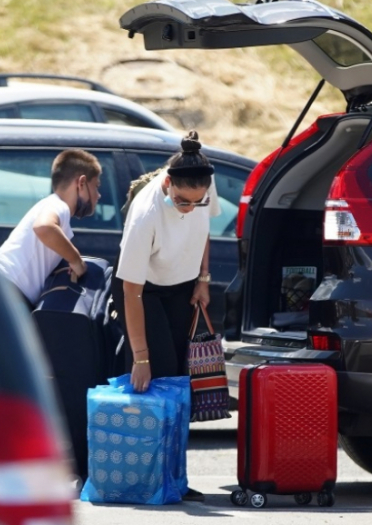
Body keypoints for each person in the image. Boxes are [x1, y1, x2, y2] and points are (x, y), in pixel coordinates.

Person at [112, 130, 220, 503]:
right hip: (144, 290)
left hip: (182, 284)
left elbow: (205, 231)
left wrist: (203, 278)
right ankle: (143, 477)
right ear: (167, 184)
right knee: (154, 378)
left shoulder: (203, 187)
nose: (189, 208)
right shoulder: (146, 213)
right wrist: (141, 357)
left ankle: (173, 477)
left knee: (179, 381)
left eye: (197, 201)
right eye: (181, 201)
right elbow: (131, 291)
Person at [0, 149, 102, 308]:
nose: (98, 195)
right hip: (6, 290)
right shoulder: (59, 206)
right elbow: (44, 227)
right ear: (81, 183)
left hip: (1, 286)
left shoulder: (53, 205)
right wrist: (76, 260)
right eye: (96, 186)